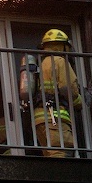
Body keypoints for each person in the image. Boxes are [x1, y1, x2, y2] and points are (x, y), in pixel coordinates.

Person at [32, 28, 83, 157]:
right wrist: (79, 101)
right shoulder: (59, 61)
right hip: (54, 116)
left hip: (40, 119)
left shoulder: (41, 63)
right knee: (61, 152)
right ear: (62, 46)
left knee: (51, 155)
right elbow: (68, 88)